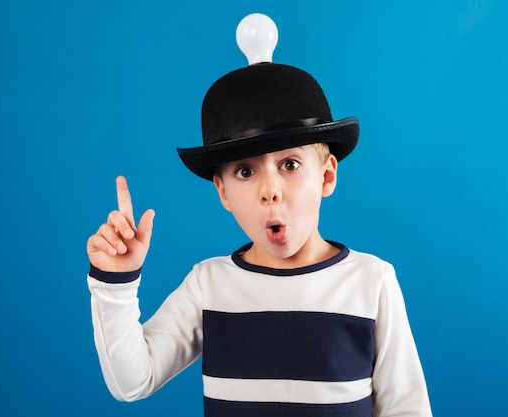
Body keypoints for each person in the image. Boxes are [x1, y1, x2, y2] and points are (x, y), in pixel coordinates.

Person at [86, 15, 432, 417]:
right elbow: (133, 381)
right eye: (245, 172)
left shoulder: (371, 282)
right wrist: (116, 283)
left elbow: (407, 409)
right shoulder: (209, 285)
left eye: (289, 164)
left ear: (326, 174)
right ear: (223, 192)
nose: (270, 190)